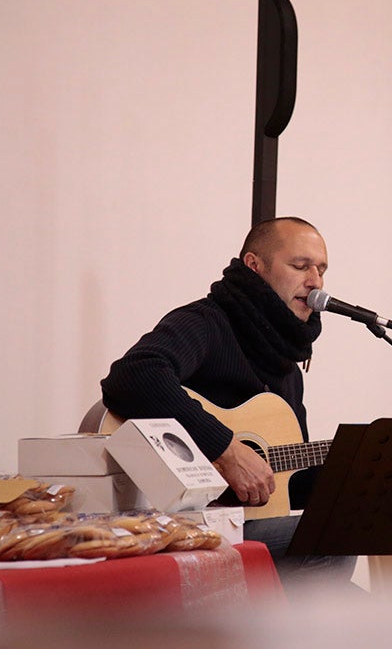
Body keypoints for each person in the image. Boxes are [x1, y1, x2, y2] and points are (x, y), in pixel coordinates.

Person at [99, 216, 356, 592]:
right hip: (174, 523)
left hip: (237, 523)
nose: (315, 281)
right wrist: (225, 449)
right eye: (300, 266)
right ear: (255, 266)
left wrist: (356, 473)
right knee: (334, 540)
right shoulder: (206, 323)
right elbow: (134, 375)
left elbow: (284, 484)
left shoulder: (287, 366)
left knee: (366, 597)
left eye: (321, 270)